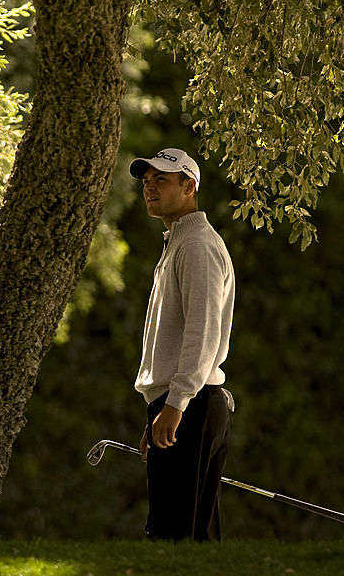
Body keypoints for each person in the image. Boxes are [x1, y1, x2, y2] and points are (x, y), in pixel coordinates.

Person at [128, 147, 236, 541]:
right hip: (183, 403)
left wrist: (175, 403)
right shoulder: (179, 241)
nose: (150, 189)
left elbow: (201, 331)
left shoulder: (195, 246)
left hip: (192, 404)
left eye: (162, 180)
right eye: (146, 181)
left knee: (176, 538)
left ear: (189, 187)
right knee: (188, 537)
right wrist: (162, 404)